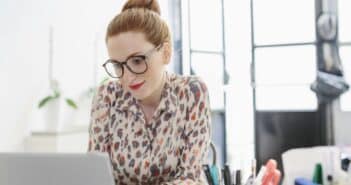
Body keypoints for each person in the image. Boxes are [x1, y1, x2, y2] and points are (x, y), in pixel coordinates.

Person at [87, 0, 212, 184]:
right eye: (117, 66)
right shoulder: (107, 96)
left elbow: (190, 178)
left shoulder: (191, 92)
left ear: (166, 53)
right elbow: (95, 175)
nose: (127, 77)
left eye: (137, 61)